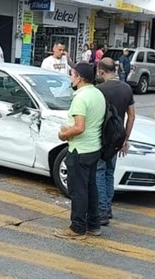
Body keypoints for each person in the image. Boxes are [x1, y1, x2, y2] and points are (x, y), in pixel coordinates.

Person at [55, 62, 106, 239]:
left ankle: (77, 228)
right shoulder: (98, 94)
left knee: (78, 191)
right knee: (91, 188)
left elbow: (79, 127)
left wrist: (63, 135)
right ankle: (93, 225)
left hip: (80, 149)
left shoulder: (81, 97)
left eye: (72, 74)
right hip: (94, 149)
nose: (71, 77)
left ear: (79, 78)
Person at [95, 58, 136, 225]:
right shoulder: (126, 89)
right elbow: (132, 116)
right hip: (117, 138)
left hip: (102, 137)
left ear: (101, 71)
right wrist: (126, 138)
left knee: (99, 172)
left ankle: (102, 210)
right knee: (110, 172)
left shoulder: (99, 90)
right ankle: (108, 208)